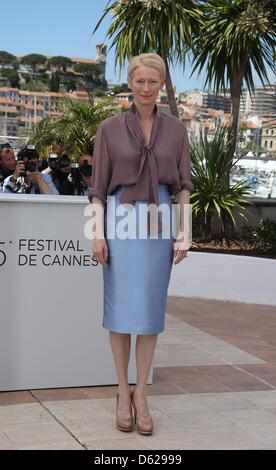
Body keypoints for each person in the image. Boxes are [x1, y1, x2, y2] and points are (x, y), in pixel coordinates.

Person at [90, 53, 193, 435]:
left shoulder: (178, 131)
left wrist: (187, 231)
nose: (146, 89)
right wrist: (97, 234)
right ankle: (121, 391)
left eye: (153, 82)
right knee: (119, 311)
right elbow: (98, 189)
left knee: (149, 312)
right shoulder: (109, 129)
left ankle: (142, 394)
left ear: (162, 84)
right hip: (119, 219)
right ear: (130, 83)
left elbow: (184, 186)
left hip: (160, 218)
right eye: (140, 81)